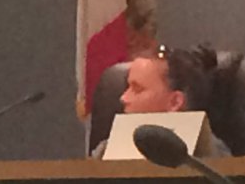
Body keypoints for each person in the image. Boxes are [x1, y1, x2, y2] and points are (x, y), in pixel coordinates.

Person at [92, 44, 231, 158]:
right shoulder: (105, 151)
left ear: (175, 102)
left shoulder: (212, 157)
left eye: (137, 89)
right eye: (128, 87)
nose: (123, 98)